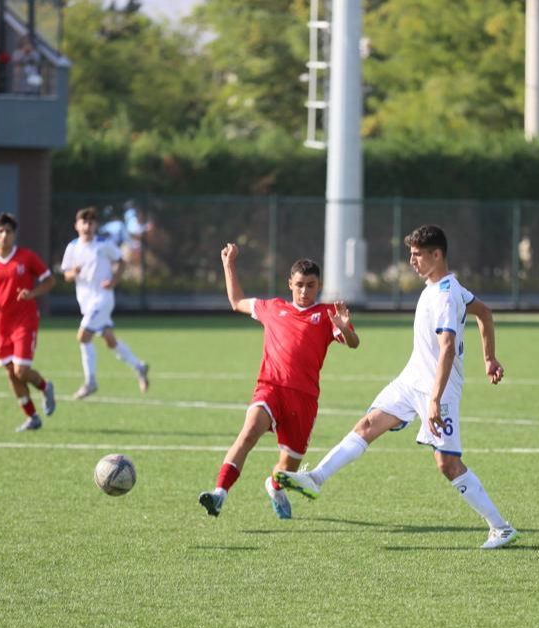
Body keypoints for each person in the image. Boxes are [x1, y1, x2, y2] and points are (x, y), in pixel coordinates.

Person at [275, 224, 519, 550]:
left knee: (447, 465)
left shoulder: (446, 296)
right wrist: (489, 358)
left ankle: (501, 528)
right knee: (367, 424)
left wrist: (434, 400)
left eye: (417, 255)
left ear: (437, 255)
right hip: (411, 380)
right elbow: (484, 312)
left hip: (438, 390)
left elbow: (447, 348)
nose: (412, 261)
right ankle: (315, 478)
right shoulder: (447, 286)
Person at [198, 245, 360, 520]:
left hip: (304, 399)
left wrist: (345, 329)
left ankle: (274, 487)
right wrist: (228, 264)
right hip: (270, 387)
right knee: (248, 433)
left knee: (287, 470)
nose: (305, 291)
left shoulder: (329, 313)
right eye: (299, 285)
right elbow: (237, 301)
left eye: (310, 285)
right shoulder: (273, 308)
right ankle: (219, 494)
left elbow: (354, 344)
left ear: (319, 285)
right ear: (290, 284)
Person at [0, 212, 57, 431]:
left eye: (8, 231)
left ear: (14, 235)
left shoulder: (26, 257)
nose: (4, 235)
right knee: (11, 373)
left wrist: (33, 293)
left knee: (20, 370)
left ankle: (45, 387)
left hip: (25, 321)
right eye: (0, 231)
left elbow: (49, 280)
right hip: (2, 325)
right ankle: (32, 417)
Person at [60, 206, 150, 399]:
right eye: (84, 221)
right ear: (76, 225)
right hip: (86, 301)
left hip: (103, 299)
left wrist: (114, 280)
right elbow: (66, 274)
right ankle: (139, 366)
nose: (87, 225)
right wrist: (72, 273)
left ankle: (90, 381)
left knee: (83, 337)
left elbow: (122, 262)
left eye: (91, 222)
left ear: (96, 225)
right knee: (110, 341)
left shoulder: (104, 244)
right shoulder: (73, 247)